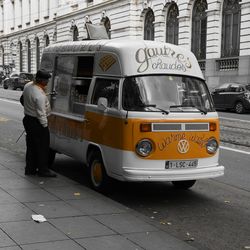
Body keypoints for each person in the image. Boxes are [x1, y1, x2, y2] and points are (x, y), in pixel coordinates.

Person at [21, 69, 56, 177]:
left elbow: (22, 99)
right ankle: (43, 170)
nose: (48, 82)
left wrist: (28, 108)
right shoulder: (39, 95)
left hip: (28, 119)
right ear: (42, 80)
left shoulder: (28, 86)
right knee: (42, 147)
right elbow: (41, 113)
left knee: (31, 146)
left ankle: (30, 169)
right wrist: (45, 126)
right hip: (37, 122)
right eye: (47, 80)